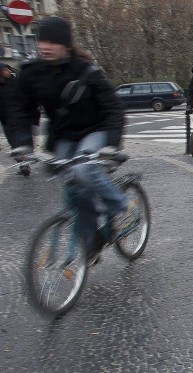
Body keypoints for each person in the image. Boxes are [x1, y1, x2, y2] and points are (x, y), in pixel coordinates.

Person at [7, 16, 130, 261]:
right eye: (41, 41)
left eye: (52, 42)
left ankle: (119, 203)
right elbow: (20, 108)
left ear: (65, 45)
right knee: (73, 186)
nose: (45, 47)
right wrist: (22, 143)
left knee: (84, 171)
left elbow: (114, 109)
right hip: (64, 135)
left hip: (96, 129)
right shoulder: (32, 72)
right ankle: (92, 239)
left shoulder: (87, 72)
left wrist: (111, 147)